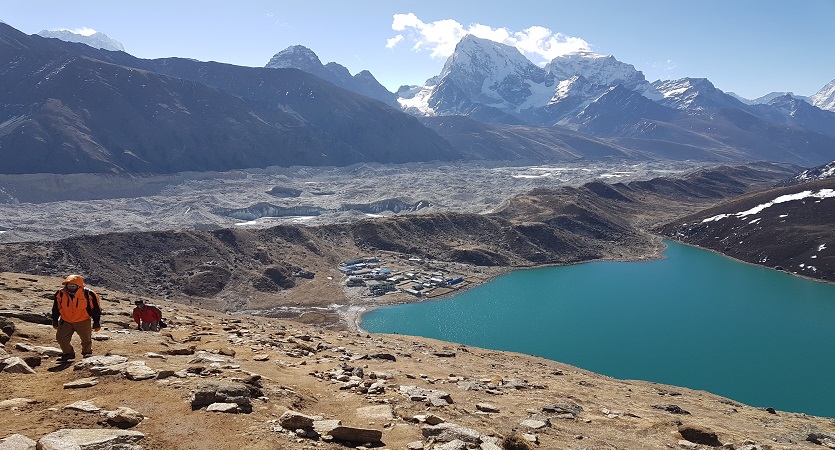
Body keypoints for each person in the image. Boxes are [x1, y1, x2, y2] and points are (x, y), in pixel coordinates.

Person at [51, 274, 102, 361]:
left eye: (73, 285)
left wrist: (96, 322)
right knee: (61, 338)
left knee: (86, 339)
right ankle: (68, 353)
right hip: (65, 320)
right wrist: (55, 320)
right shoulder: (60, 294)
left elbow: (96, 309)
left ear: (79, 285)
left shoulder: (89, 293)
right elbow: (56, 308)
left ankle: (87, 353)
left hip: (83, 320)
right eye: (68, 285)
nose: (70, 287)